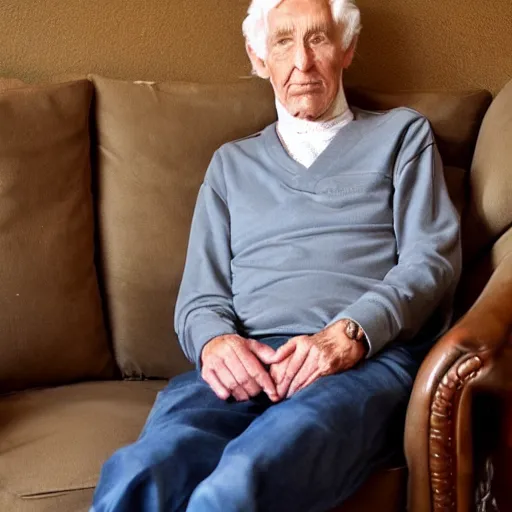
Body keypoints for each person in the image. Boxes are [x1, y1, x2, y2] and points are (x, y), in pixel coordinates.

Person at [90, 0, 461, 510]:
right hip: (248, 360)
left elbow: (432, 259)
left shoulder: (401, 136)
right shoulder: (230, 166)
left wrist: (349, 333)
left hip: (360, 362)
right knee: (141, 473)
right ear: (259, 56)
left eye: (319, 39)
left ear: (346, 49)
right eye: (283, 41)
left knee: (242, 480)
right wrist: (217, 342)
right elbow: (201, 296)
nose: (303, 63)